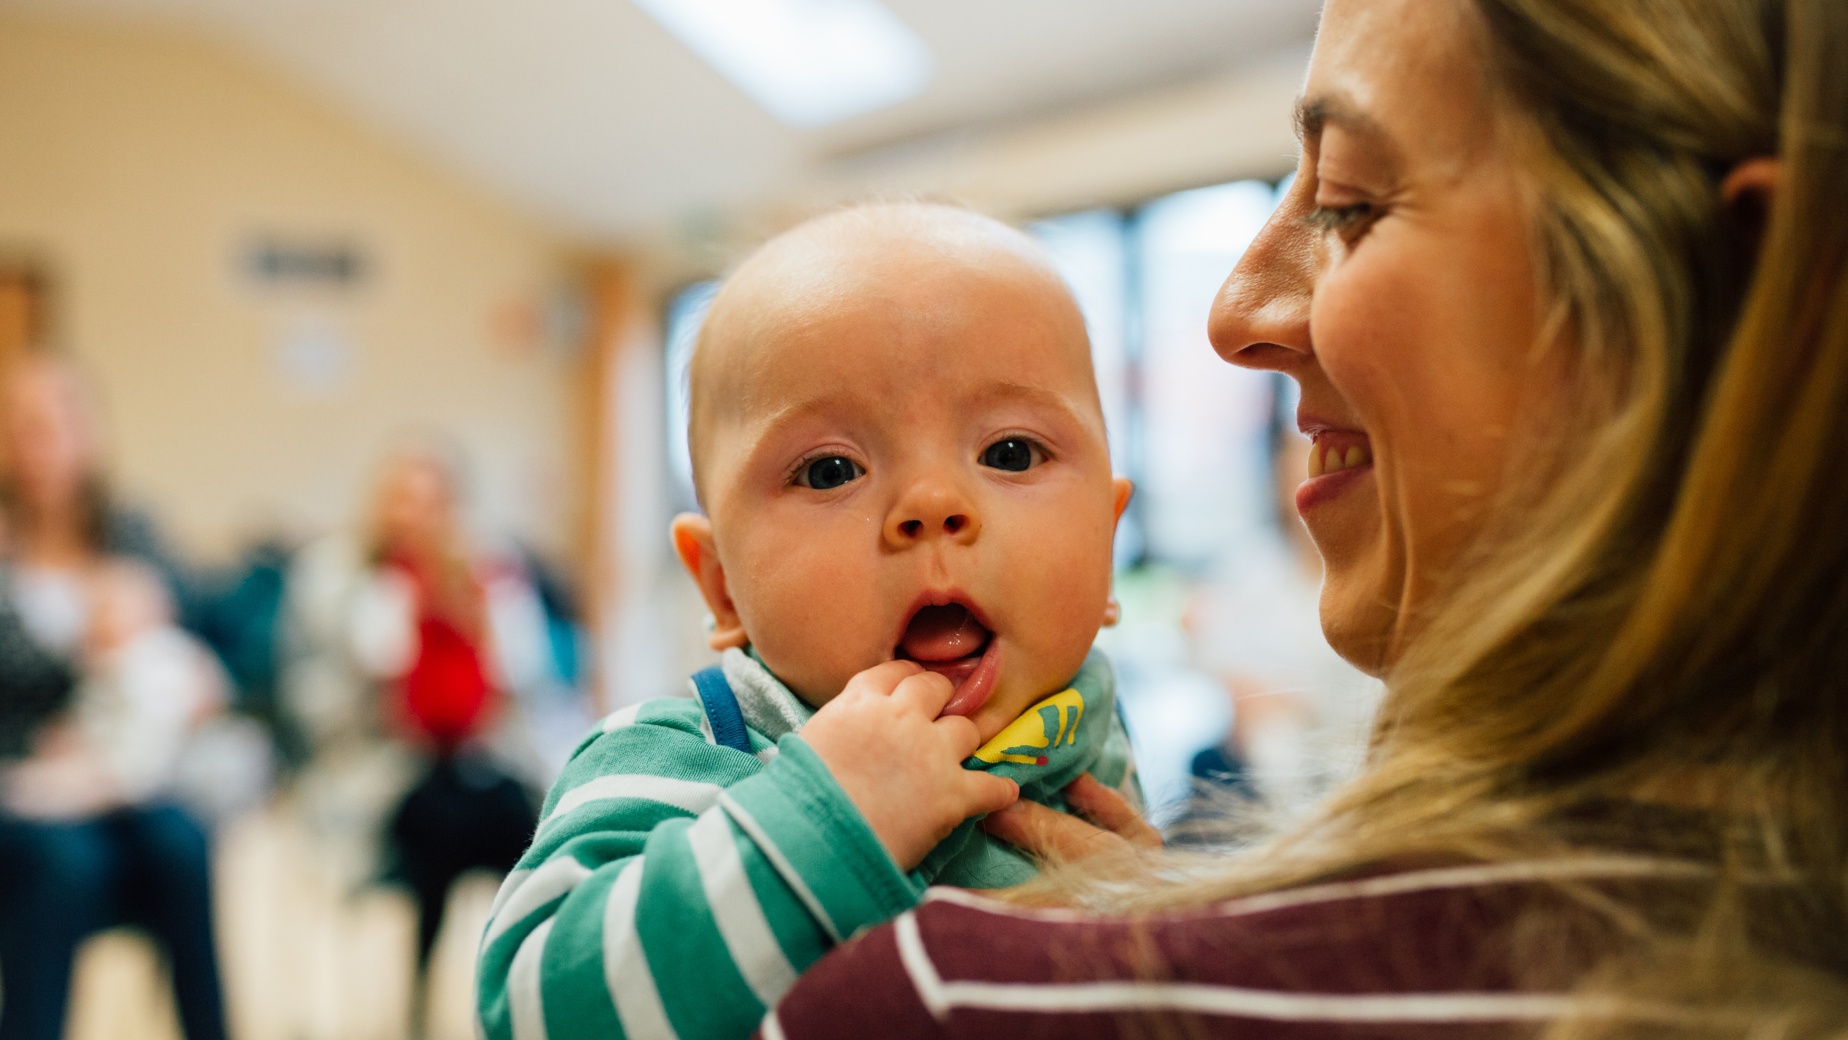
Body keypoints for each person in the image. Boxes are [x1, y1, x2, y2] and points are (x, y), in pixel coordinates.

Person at [764, 0, 1848, 1036]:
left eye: (1349, 202)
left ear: (1737, 294)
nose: (1237, 312)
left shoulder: (931, 1006)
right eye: (827, 471)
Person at [475, 203, 1143, 1040]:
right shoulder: (686, 756)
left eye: (1010, 453)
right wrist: (822, 822)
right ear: (721, 586)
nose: (933, 505)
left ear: (1107, 548)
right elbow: (532, 1012)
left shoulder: (1096, 739)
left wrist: (1171, 919)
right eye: (830, 470)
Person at [282, 441, 562, 1032]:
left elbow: (525, 684)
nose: (415, 517)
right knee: (438, 827)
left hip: (482, 762)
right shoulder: (346, 582)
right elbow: (326, 701)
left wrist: (475, 627)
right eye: (401, 500)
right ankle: (420, 993)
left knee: (521, 827)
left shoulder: (490, 578)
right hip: (387, 770)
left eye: (430, 501)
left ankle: (522, 990)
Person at [0, 355, 228, 1040]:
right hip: (24, 785)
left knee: (182, 845)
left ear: (93, 433)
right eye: (26, 426)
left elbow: (200, 650)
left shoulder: (135, 537)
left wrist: (192, 685)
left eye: (63, 421)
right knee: (65, 862)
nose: (46, 443)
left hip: (126, 780)